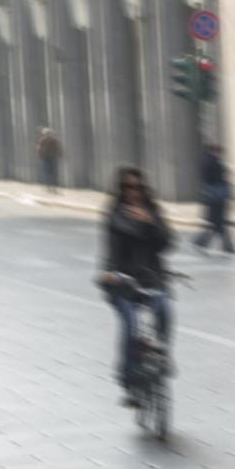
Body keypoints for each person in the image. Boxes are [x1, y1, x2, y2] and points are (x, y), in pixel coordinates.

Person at [96, 166, 174, 408]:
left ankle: (162, 354)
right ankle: (129, 380)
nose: (134, 192)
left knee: (164, 310)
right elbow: (109, 250)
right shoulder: (114, 215)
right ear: (121, 190)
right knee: (131, 324)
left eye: (138, 187)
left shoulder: (152, 212)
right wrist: (108, 273)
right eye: (128, 187)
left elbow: (167, 243)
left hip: (151, 279)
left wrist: (150, 222)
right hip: (123, 282)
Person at [194, 142, 235, 255]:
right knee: (218, 223)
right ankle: (226, 247)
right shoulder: (213, 162)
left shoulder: (206, 161)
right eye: (219, 152)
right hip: (217, 195)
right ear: (215, 151)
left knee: (216, 223)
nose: (220, 154)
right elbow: (218, 176)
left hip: (213, 195)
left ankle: (202, 242)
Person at [35, 127, 62, 194]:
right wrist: (40, 156)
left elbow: (57, 148)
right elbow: (39, 149)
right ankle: (48, 187)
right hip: (46, 158)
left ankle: (53, 187)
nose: (48, 135)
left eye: (49, 133)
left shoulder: (53, 140)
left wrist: (58, 155)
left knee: (52, 173)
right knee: (47, 173)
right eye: (47, 133)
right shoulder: (42, 140)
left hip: (52, 157)